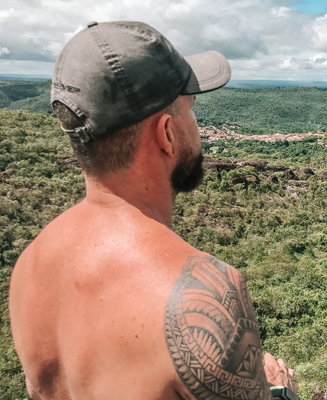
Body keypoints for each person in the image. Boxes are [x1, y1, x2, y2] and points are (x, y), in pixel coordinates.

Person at [9, 21, 297, 400]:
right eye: (191, 110)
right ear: (166, 133)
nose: (197, 125)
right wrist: (280, 391)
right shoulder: (205, 293)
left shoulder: (29, 266)